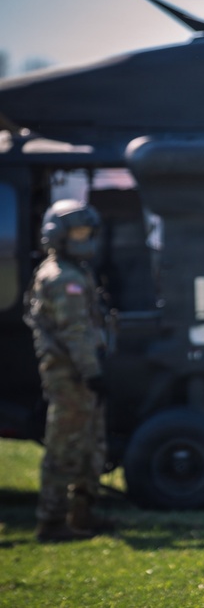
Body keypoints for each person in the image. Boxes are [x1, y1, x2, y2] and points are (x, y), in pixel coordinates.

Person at [23, 199, 112, 542]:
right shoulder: (62, 279)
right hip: (71, 375)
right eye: (77, 232)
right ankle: (52, 521)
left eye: (87, 232)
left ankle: (82, 515)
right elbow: (75, 333)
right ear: (58, 235)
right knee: (66, 446)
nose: (83, 238)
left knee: (91, 443)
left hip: (82, 374)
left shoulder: (77, 272)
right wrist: (92, 373)